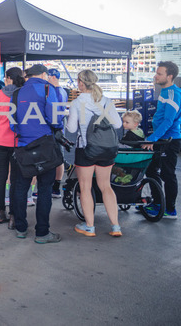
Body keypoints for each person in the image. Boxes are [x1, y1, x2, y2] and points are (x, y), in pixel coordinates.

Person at [10, 64, 63, 243]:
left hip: (23, 146)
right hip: (44, 146)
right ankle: (42, 233)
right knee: (45, 189)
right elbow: (55, 118)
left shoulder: (17, 93)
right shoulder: (48, 89)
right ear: (43, 75)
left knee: (20, 188)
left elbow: (12, 123)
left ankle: (20, 228)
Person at [66, 69, 122, 237]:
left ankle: (89, 227)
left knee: (85, 187)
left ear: (81, 83)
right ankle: (115, 227)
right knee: (106, 186)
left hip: (86, 149)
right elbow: (118, 124)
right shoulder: (106, 101)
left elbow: (72, 129)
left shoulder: (77, 103)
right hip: (106, 149)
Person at [143, 61, 181, 219]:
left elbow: (168, 121)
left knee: (168, 174)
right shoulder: (164, 91)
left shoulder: (173, 94)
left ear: (169, 76)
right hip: (160, 139)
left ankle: (170, 210)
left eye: (159, 73)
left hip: (169, 141)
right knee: (151, 170)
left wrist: (152, 139)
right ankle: (157, 203)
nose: (156, 76)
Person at [0, 67, 24, 225]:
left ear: (9, 78)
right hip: (16, 141)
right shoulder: (22, 94)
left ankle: (0, 213)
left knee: (1, 177)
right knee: (15, 179)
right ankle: (13, 215)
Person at [47, 68, 68, 198]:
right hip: (59, 125)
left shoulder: (55, 91)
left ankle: (54, 187)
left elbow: (56, 111)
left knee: (56, 156)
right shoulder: (62, 91)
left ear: (53, 77)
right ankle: (55, 186)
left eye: (48, 76)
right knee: (59, 156)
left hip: (55, 126)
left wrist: (55, 127)